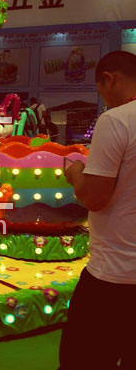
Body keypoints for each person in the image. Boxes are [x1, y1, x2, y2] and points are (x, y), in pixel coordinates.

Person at [59, 51, 136, 369]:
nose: (103, 96)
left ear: (109, 79)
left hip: (115, 277)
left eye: (100, 89)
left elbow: (94, 197)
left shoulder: (117, 119)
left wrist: (76, 171)